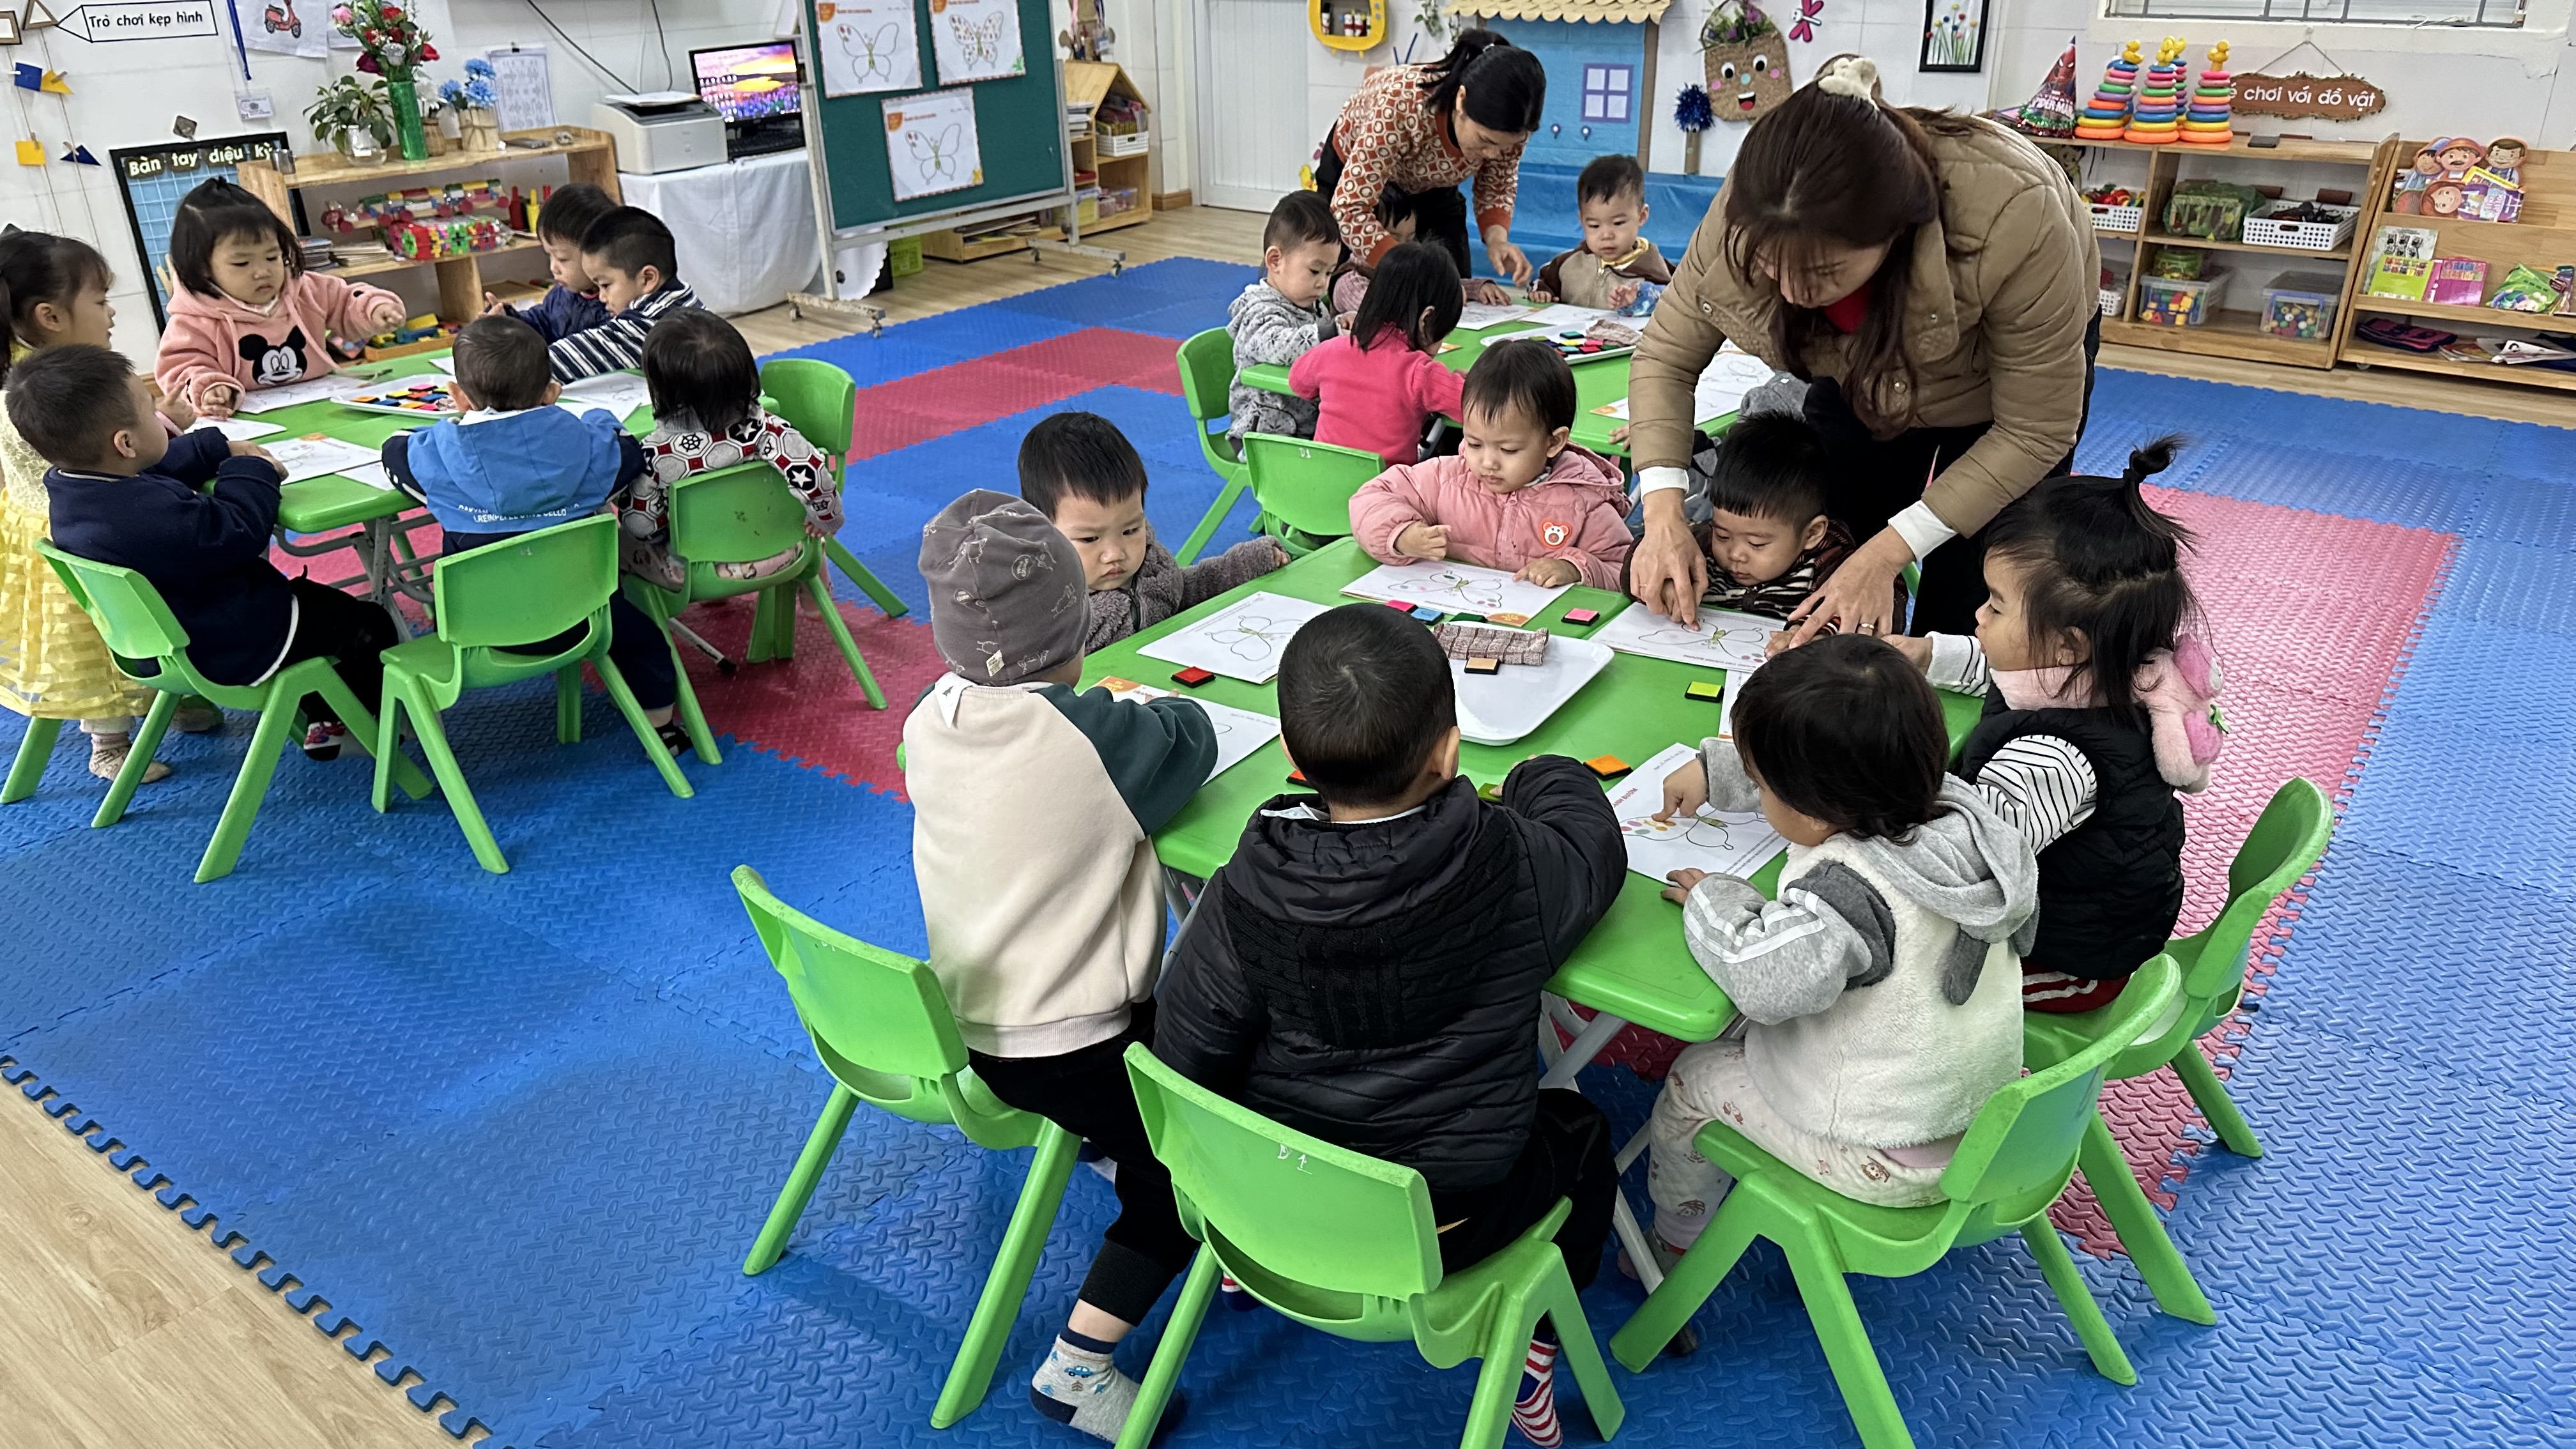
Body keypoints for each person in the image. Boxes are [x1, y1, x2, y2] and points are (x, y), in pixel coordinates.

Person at [1154, 602, 1625, 1449]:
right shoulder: (1510, 859)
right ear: (1449, 752)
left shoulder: (1242, 890)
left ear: (1294, 756)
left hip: (1267, 1202)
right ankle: (1534, 1350)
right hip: (1451, 1221)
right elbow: (1595, 850)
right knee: (1586, 1137)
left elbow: (1185, 1057)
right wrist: (1542, 772)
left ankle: (1230, 1272)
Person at [903, 489, 1214, 1445]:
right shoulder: (1088, 737)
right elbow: (1190, 743)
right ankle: (1078, 1368)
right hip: (1074, 1039)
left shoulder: (929, 716)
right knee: (1186, 1173)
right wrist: (1147, 705)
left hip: (976, 1019)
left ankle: (1100, 1140)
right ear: (1074, 625)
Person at [1621, 55, 2100, 643]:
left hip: (2000, 394)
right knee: (1833, 545)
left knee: (1978, 593)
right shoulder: (1757, 207)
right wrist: (1663, 514)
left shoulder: (2016, 217)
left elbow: (2034, 430)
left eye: (1823, 272)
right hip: (1859, 377)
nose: (1793, 291)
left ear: (1893, 232)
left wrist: (1889, 553)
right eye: (1772, 265)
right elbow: (1666, 358)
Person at [1643, 634, 2038, 1273]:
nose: (1760, 795)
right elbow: (1828, 764)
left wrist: (1712, 900)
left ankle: (1670, 1243)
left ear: (1814, 809)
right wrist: (1718, 771)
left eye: (1761, 786)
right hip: (1989, 1126)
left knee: (1692, 1076)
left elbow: (1764, 980)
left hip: (1883, 1153)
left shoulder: (1848, 893)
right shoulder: (1969, 822)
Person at [1883, 439, 2223, 1013]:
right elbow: (1999, 667)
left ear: (2068, 645)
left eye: (1996, 605)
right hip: (2088, 910)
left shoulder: (2053, 760)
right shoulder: (2110, 668)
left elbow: (1969, 858)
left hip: (2072, 960)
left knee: (1892, 985)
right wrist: (1925, 654)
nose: (1978, 616)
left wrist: (1872, 807)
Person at [20, 345, 395, 761]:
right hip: (232, 642)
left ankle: (325, 711)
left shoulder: (74, 486)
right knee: (367, 622)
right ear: (125, 443)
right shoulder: (148, 515)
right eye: (150, 410)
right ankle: (350, 724)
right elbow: (239, 530)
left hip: (165, 645)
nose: (159, 415)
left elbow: (153, 471)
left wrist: (214, 449)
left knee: (321, 606)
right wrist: (254, 468)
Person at [378, 316, 682, 745]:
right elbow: (628, 455)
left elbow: (394, 453)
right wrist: (600, 419)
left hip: (479, 630)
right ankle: (661, 728)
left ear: (458, 397)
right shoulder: (584, 443)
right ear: (552, 393)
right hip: (587, 617)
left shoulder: (438, 455)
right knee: (646, 641)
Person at [0, 233, 211, 785]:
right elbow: (106, 455)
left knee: (141, 615)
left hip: (56, 522)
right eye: (99, 300)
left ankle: (177, 695)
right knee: (101, 638)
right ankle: (109, 744)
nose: (112, 313)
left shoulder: (36, 372)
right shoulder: (51, 389)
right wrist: (165, 427)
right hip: (78, 534)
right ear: (50, 316)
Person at [1347, 339, 1632, 589]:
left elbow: (1624, 571)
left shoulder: (1585, 501)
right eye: (1474, 444)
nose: (1487, 463)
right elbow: (1371, 498)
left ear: (1554, 442)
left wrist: (1574, 568)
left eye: (1508, 450)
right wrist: (1401, 536)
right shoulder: (1447, 478)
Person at [1018, 411, 1284, 652]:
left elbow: (1184, 590)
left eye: (1130, 530)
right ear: (1043, 534)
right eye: (1090, 539)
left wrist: (1243, 565)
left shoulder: (1152, 566)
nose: (1115, 553)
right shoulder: (1046, 616)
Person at [623, 309, 841, 590]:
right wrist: (827, 517)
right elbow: (813, 471)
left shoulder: (655, 455)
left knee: (620, 542)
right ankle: (815, 594)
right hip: (785, 551)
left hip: (698, 572)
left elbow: (641, 525)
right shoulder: (769, 430)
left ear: (660, 389)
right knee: (810, 529)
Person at [153, 179, 408, 418]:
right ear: (203, 268)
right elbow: (181, 367)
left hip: (323, 405)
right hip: (248, 420)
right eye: (242, 263)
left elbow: (346, 300)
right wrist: (208, 387)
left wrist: (374, 308)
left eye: (272, 257)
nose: (263, 272)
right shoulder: (194, 319)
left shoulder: (305, 289)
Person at [1313, 28, 1546, 289]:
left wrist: (1497, 241)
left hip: (1434, 183)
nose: (1493, 155)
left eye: (1505, 147)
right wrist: (1405, 268)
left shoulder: (1514, 130)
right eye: (1486, 141)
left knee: (1450, 284)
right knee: (1345, 277)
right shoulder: (1402, 104)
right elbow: (1349, 209)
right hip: (1358, 173)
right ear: (1461, 101)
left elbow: (1497, 184)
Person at [1287, 241, 1465, 468]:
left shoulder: (1333, 350)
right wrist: (1467, 383)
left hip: (1322, 483)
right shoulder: (1420, 373)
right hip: (1386, 488)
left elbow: (1298, 382)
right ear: (1426, 320)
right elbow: (1480, 408)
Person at [1682, 410, 1863, 621]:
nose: (1736, 554)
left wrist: (1817, 631)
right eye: (1723, 536)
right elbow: (1654, 563)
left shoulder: (1832, 568)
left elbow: (1862, 606)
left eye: (1756, 544)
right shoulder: (1700, 549)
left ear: (1811, 534)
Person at [1227, 190, 1340, 445]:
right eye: (1315, 271)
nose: (1323, 283)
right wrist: (1329, 333)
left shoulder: (1313, 306)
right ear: (1275, 261)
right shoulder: (1258, 310)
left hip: (1304, 425)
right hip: (1263, 435)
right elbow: (1278, 345)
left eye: (1329, 273)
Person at [548, 206, 702, 383]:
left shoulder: (645, 326)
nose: (602, 297)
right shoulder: (685, 297)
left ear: (647, 279)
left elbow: (548, 364)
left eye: (606, 285)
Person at [1330, 187, 1515, 319]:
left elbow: (1434, 283)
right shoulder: (1350, 281)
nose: (1403, 247)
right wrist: (1445, 297)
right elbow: (1387, 311)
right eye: (1392, 238)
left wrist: (1477, 288)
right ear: (1363, 238)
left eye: (1410, 238)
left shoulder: (1409, 269)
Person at [1534, 155, 1672, 313]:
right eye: (1594, 225)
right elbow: (1544, 282)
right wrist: (1543, 292)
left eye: (1618, 223)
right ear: (1582, 221)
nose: (1606, 235)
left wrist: (1638, 300)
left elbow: (1671, 304)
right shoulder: (1568, 263)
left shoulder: (1653, 270)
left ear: (1642, 216)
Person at [484, 181, 615, 342]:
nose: (553, 268)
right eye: (550, 256)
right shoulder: (562, 294)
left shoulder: (614, 308)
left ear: (599, 254)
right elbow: (541, 322)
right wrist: (508, 321)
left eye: (562, 259)